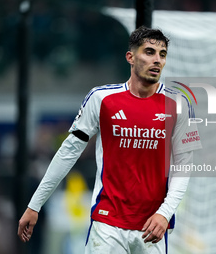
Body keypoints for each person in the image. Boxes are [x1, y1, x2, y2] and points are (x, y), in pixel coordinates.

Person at [18, 26, 202, 254]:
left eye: (162, 54)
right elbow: (68, 152)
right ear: (130, 57)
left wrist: (165, 213)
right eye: (149, 52)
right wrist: (34, 205)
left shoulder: (180, 104)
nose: (157, 60)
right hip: (107, 224)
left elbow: (184, 167)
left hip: (152, 228)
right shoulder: (101, 98)